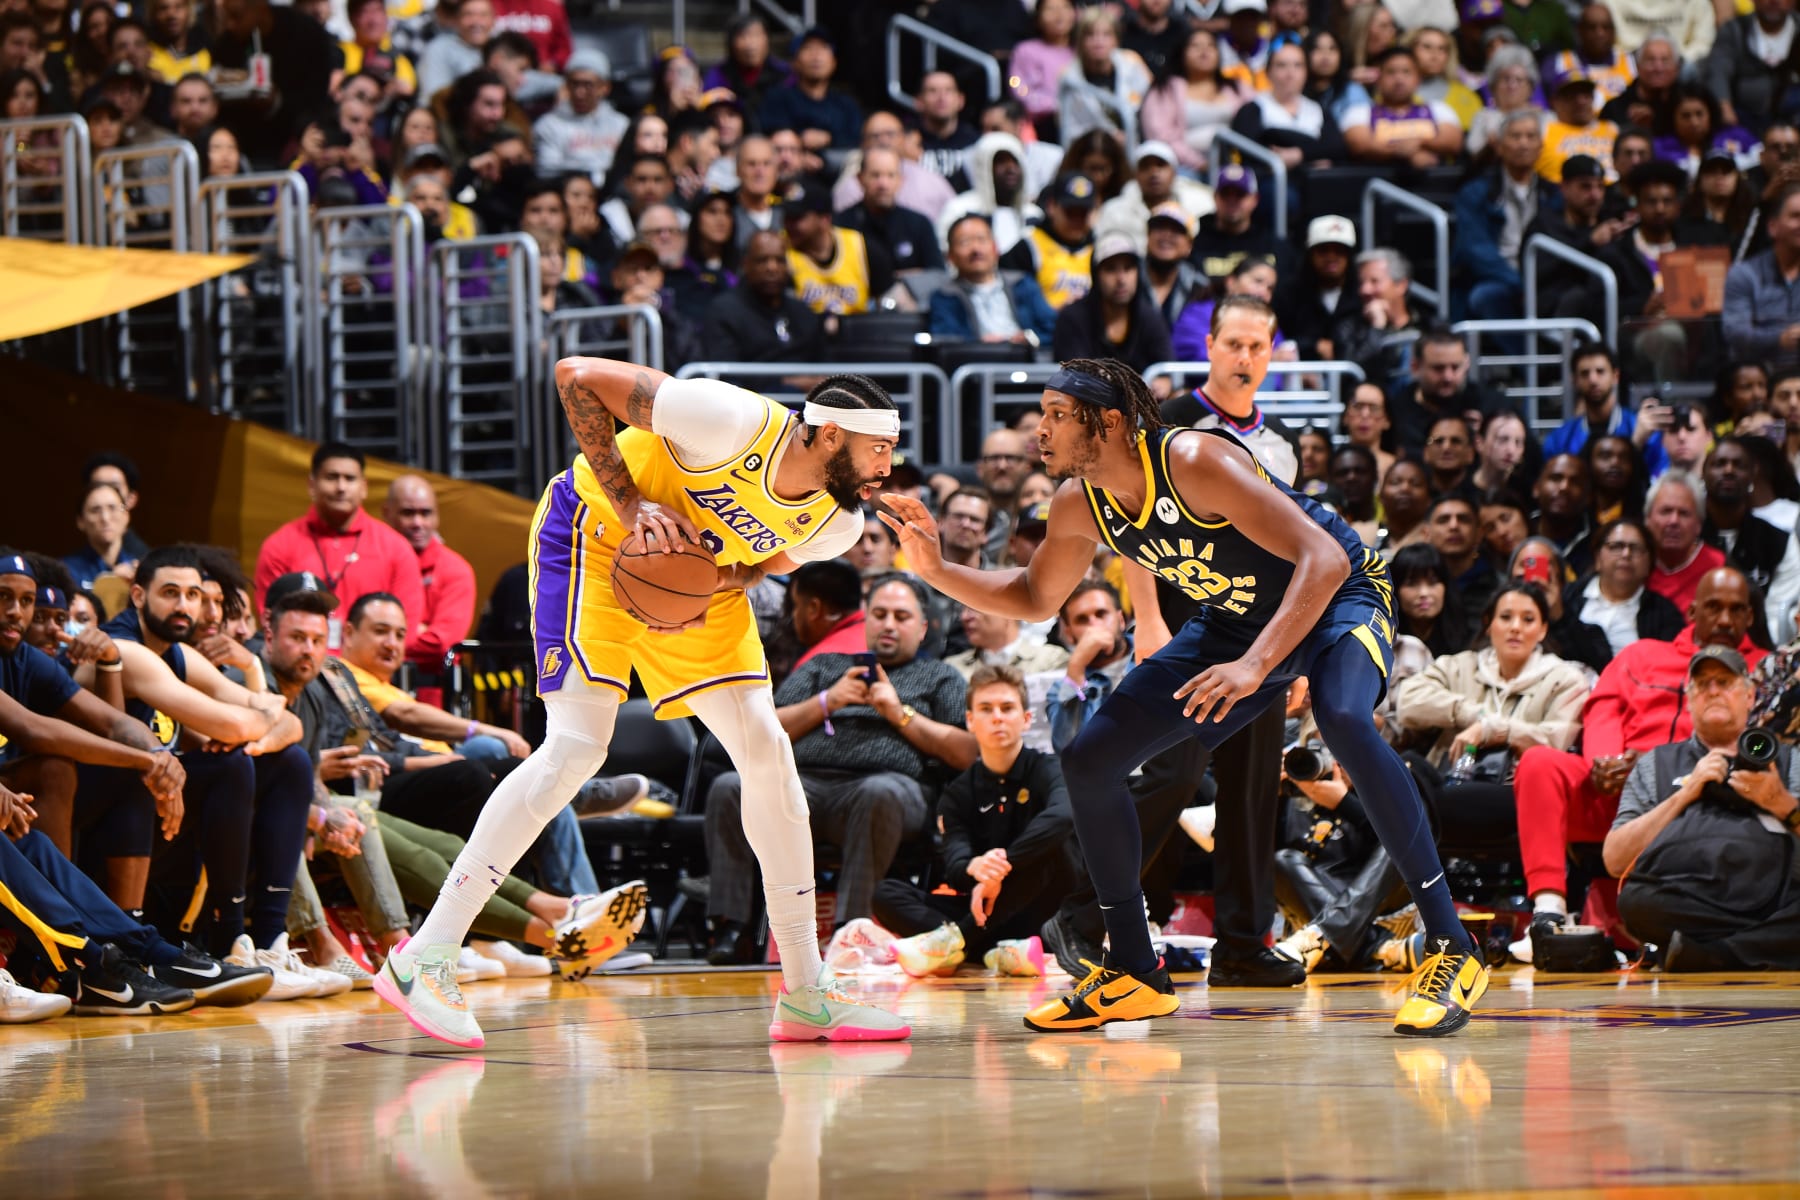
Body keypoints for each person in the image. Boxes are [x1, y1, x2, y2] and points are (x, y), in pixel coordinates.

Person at [880, 313, 1491, 1037]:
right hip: (1234, 623)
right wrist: (935, 569)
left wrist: (1257, 665)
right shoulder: (1078, 503)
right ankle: (1134, 970)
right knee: (1090, 758)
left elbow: (1323, 558)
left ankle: (1452, 945)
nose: (1038, 430)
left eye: (1056, 415)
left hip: (1338, 597)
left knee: (1345, 718)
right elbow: (1034, 596)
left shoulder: (1195, 459)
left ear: (1107, 423)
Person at [376, 360, 912, 1048]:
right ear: (830, 435)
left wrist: (701, 582)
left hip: (692, 581)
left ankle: (806, 990)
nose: (887, 467)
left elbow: (759, 566)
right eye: (879, 448)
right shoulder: (728, 419)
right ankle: (427, 954)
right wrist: (633, 507)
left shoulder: (837, 525)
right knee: (576, 747)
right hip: (591, 540)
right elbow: (575, 377)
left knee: (768, 753)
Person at [705, 574, 975, 953]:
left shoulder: (941, 676)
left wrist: (900, 714)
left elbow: (967, 752)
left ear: (923, 628)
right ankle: (732, 929)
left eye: (901, 617)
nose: (889, 624)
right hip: (806, 787)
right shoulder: (824, 666)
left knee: (877, 793)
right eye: (879, 614)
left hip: (892, 792)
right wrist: (827, 702)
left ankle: (852, 932)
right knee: (731, 787)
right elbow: (763, 728)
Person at [1511, 566, 1763, 958]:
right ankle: (1548, 911)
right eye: (1714, 607)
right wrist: (1605, 762)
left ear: (1750, 616)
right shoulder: (1641, 655)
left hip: (1695, 799)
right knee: (1540, 763)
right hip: (1616, 790)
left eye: (1736, 610)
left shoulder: (1765, 671)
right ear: (1692, 612)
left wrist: (1652, 768)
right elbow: (1603, 710)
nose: (1725, 620)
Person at [872, 664, 1076, 976]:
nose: (997, 717)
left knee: (1053, 844)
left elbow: (1063, 816)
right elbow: (955, 865)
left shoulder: (1050, 769)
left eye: (1007, 708)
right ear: (970, 720)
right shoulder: (958, 793)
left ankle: (957, 943)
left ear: (1026, 719)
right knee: (886, 894)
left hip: (1047, 910)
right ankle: (998, 953)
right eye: (986, 709)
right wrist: (975, 867)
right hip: (986, 911)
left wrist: (1005, 864)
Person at [1605, 643, 1800, 968]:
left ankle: (1708, 956)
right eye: (1703, 684)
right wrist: (1686, 792)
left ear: (1749, 695)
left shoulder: (1787, 759)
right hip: (1689, 897)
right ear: (1689, 699)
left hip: (1773, 896)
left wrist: (1780, 802)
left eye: (1724, 682)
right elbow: (1615, 860)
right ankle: (1761, 947)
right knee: (1634, 901)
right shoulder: (1656, 763)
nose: (1713, 691)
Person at [1395, 582, 1590, 856]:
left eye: (1528, 620)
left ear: (1543, 629)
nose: (1515, 627)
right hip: (1450, 776)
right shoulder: (1460, 665)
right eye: (1506, 617)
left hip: (1514, 790)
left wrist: (1495, 730)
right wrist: (1473, 715)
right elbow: (1407, 701)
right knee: (1404, 765)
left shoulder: (1566, 679)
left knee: (1411, 803)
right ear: (1488, 624)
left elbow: (1557, 739)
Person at [253, 444, 426, 653]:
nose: (341, 487)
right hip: (301, 665)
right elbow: (272, 621)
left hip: (369, 670)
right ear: (312, 484)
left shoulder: (397, 549)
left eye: (350, 479)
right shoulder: (279, 546)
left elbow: (405, 629)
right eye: (332, 477)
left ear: (364, 487)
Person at [380, 475, 473, 700]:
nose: (418, 522)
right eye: (408, 513)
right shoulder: (372, 560)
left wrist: (381, 641)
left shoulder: (454, 569)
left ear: (437, 516)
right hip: (376, 691)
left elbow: (442, 644)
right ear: (387, 513)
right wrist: (417, 632)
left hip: (433, 696)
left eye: (426, 513)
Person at [1455, 112, 1552, 322]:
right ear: (1499, 146)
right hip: (1498, 278)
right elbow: (1476, 250)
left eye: (1531, 136)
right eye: (1515, 136)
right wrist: (1520, 284)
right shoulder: (1475, 193)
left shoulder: (1553, 194)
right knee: (1486, 296)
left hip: (1543, 279)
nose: (1523, 144)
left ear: (1541, 146)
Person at [1703, 437, 1800, 643]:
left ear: (1753, 474)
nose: (1729, 470)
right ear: (1703, 473)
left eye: (1738, 465)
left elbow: (1778, 615)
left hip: (1757, 647)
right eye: (1719, 464)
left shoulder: (1778, 541)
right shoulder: (1689, 536)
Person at [929, 214, 1058, 348]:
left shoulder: (1022, 283)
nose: (975, 249)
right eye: (965, 242)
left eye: (982, 239)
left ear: (995, 247)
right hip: (975, 359)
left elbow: (1053, 328)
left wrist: (1030, 339)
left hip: (1026, 356)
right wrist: (980, 344)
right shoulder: (945, 296)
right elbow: (946, 342)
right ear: (950, 256)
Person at [1050, 233, 1174, 372]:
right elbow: (1074, 377)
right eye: (1110, 269)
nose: (1121, 279)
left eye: (1128, 268)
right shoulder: (1072, 319)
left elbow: (1166, 371)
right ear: (1096, 275)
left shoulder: (1150, 317)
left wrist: (1161, 380)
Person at [1569, 516, 1686, 655]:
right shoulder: (1569, 596)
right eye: (1616, 546)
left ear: (1649, 562)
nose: (1626, 554)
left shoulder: (1664, 614)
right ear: (1598, 557)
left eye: (1636, 548)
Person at [702, 230, 823, 362]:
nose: (772, 268)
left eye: (780, 260)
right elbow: (725, 370)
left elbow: (823, 366)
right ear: (745, 264)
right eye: (762, 260)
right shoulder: (724, 312)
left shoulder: (803, 313)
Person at [782, 176, 893, 315]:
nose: (789, 225)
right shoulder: (780, 254)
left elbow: (893, 301)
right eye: (787, 217)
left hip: (857, 326)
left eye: (797, 218)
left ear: (824, 220)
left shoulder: (860, 247)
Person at [1340, 48, 1464, 168]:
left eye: (1406, 72)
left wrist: (1419, 142)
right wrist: (1407, 155)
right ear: (1379, 78)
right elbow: (1360, 146)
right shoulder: (1360, 112)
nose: (1399, 79)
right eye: (1391, 72)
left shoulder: (1439, 109)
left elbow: (1453, 143)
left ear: (1418, 79)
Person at [1723, 181, 1800, 369]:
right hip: (1760, 373)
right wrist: (1779, 339)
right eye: (1795, 216)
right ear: (1773, 226)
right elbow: (1736, 334)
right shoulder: (1744, 274)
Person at [836, 148, 945, 276]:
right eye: (875, 175)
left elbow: (936, 274)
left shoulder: (920, 224)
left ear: (901, 180)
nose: (883, 184)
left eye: (891, 175)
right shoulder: (841, 225)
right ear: (860, 179)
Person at [999, 173, 1097, 311]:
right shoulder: (1029, 246)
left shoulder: (1099, 249)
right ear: (1051, 206)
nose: (1077, 219)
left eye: (1083, 213)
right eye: (1070, 212)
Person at [758, 25, 861, 154]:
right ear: (795, 62)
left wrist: (829, 138)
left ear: (834, 63)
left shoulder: (846, 106)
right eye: (808, 48)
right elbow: (769, 134)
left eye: (823, 48)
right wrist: (800, 142)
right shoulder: (777, 99)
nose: (816, 56)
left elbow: (857, 140)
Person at [531, 49, 627, 181]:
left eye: (588, 85)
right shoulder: (548, 125)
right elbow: (548, 170)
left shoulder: (621, 125)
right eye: (574, 84)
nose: (579, 93)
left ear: (605, 87)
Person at [1645, 470, 1729, 611]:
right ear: (1648, 520)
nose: (1674, 521)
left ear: (1699, 525)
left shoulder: (1720, 568)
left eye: (1684, 513)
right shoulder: (1632, 562)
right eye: (1666, 511)